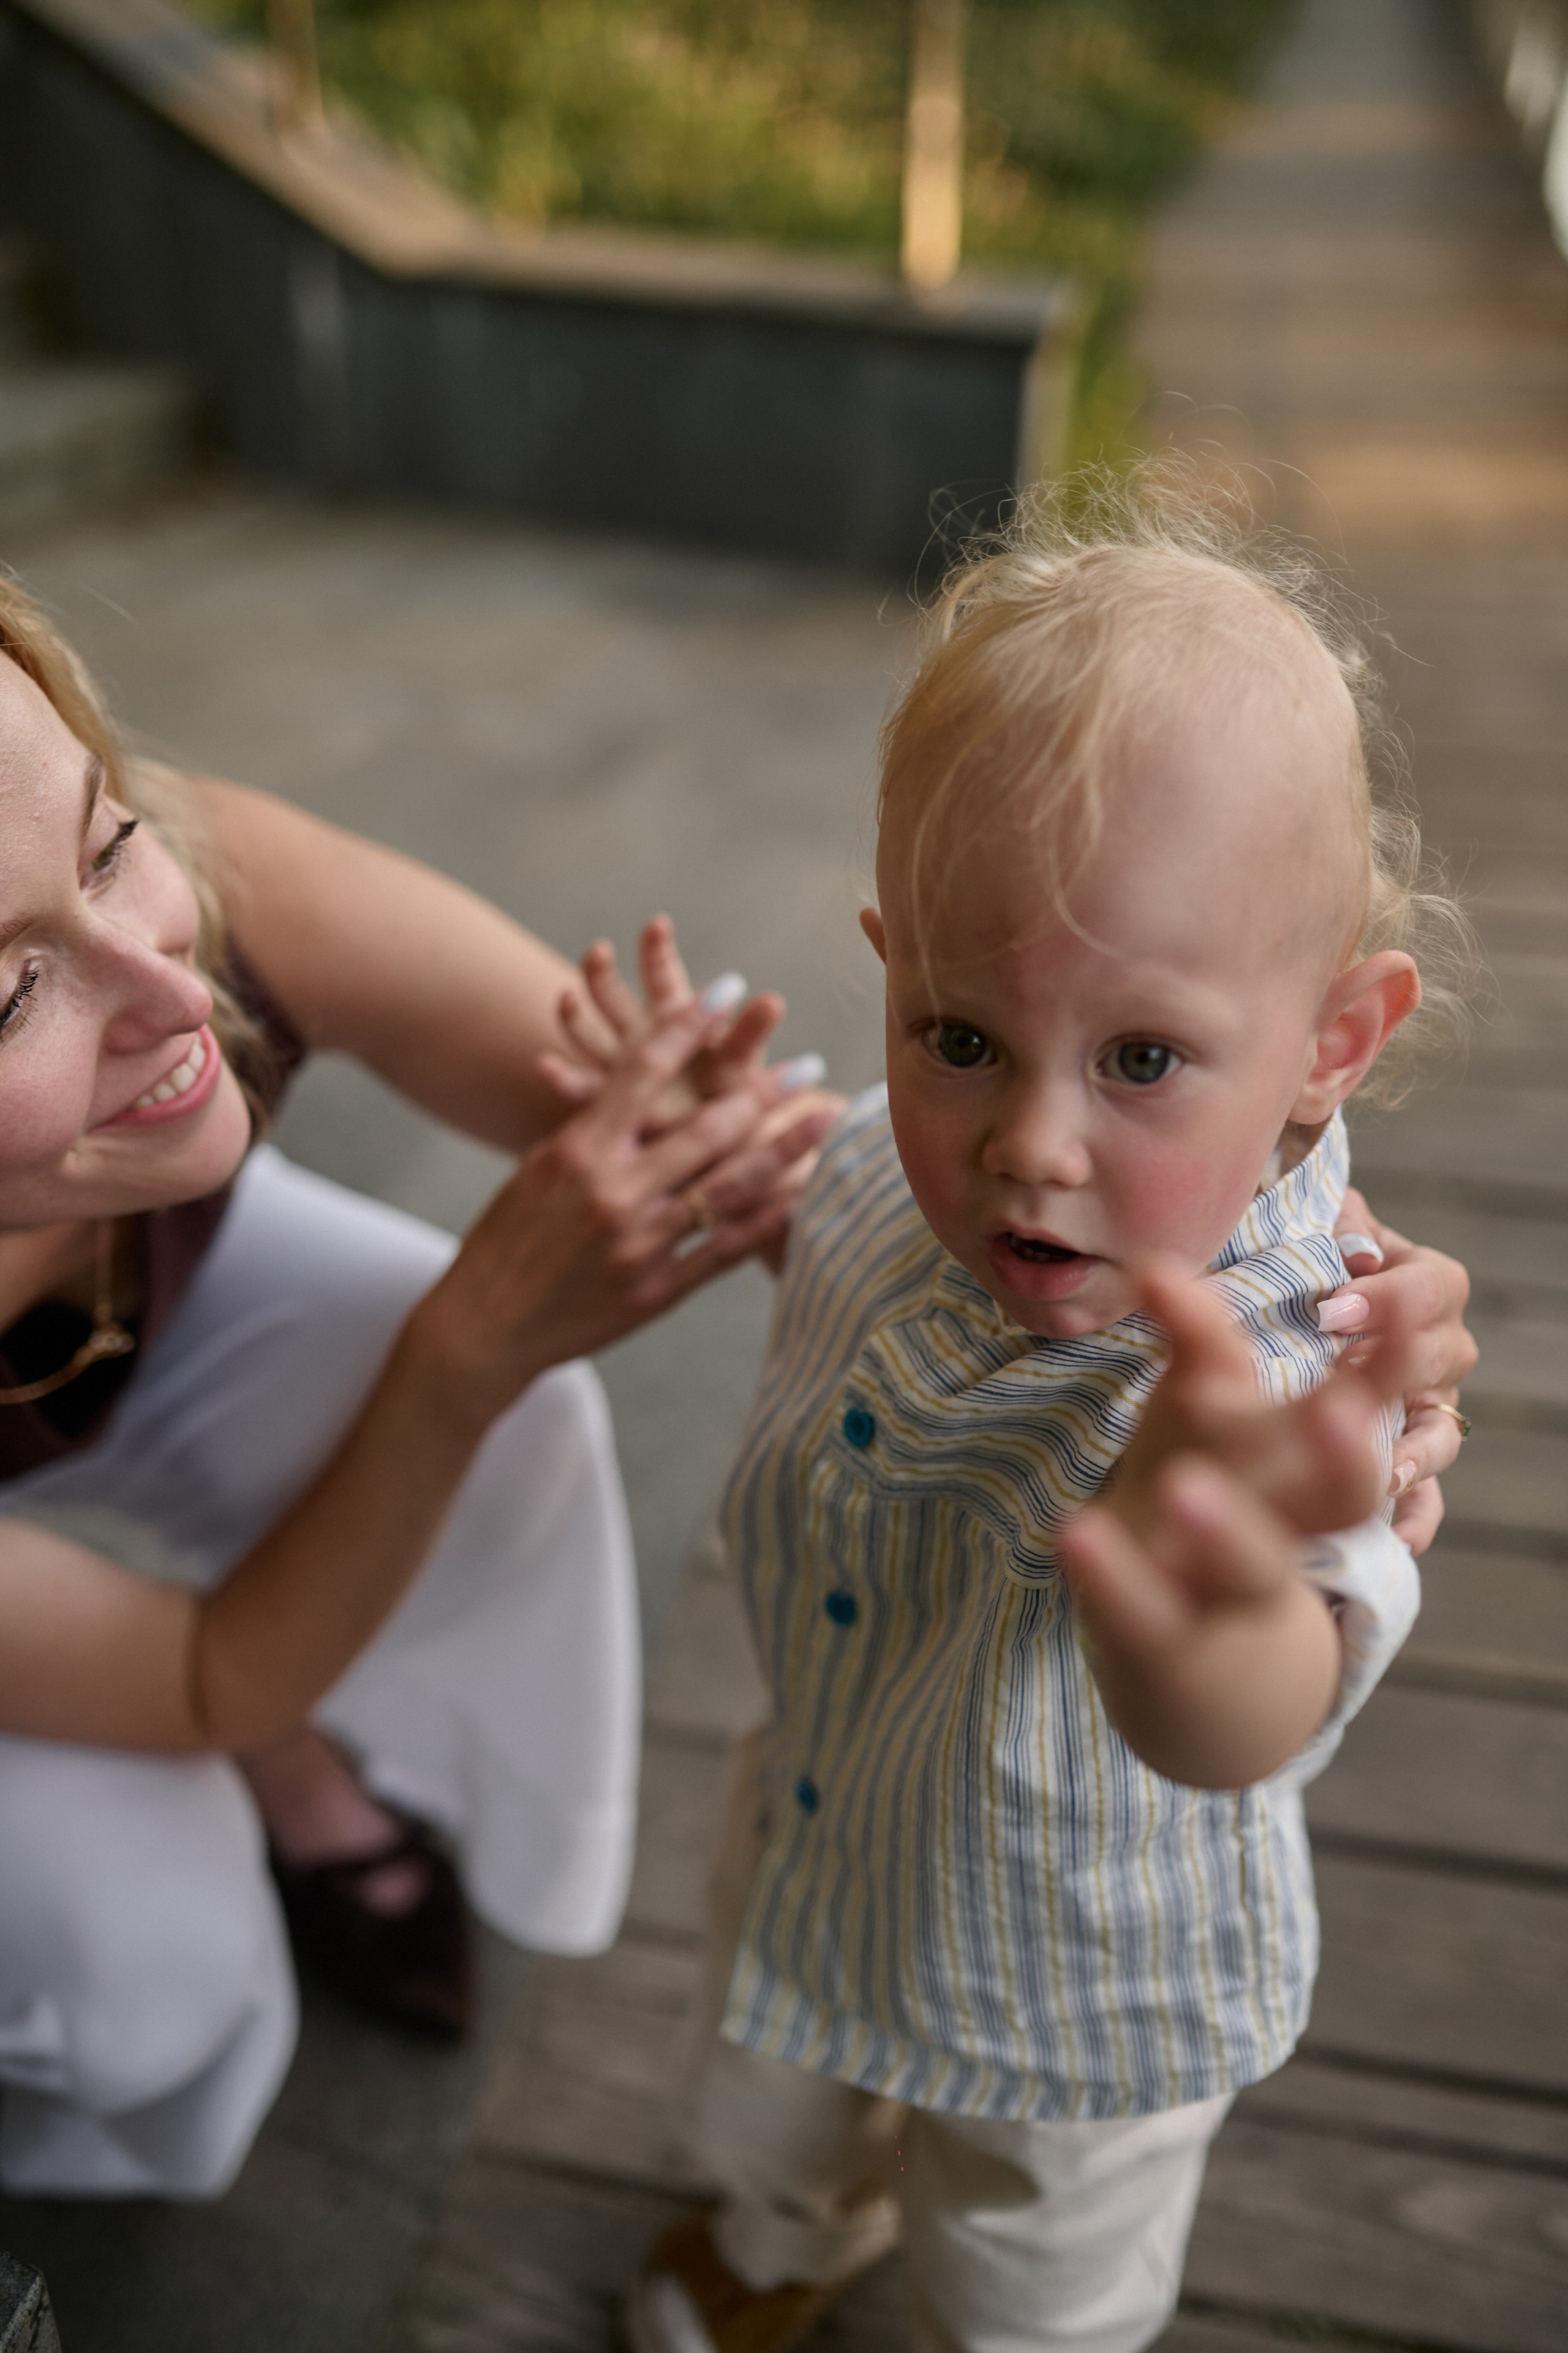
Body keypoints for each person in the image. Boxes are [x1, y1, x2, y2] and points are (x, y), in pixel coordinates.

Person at [627, 472, 1480, 2353]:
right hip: (843, 1803)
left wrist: (1204, 1584)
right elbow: (835, 1221)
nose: (1029, 1140)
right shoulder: (901, 1158)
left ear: (1332, 1041)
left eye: (1145, 1058)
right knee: (766, 2075)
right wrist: (715, 1157)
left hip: (1074, 1984)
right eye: (959, 1036)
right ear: (891, 969)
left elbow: (1240, 1721)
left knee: (1025, 2271)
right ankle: (784, 2230)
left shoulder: (1281, 1382)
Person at [0, 580, 839, 2200]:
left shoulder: (199, 879)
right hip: (184, 1663)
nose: (177, 991)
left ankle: (323, 1762)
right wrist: (469, 1348)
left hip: (115, 1301)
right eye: (3, 989)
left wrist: (1189, 1285)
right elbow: (204, 1678)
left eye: (106, 846)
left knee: (504, 1407)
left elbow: (679, 1115)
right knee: (147, 1972)